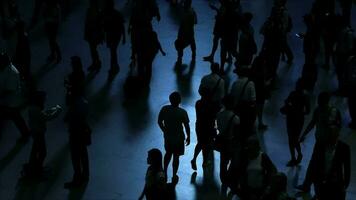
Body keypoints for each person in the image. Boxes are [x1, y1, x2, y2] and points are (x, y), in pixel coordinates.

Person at [296, 92, 341, 192]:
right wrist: (304, 134)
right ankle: (307, 185)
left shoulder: (332, 112)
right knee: (314, 164)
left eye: (320, 100)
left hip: (327, 144)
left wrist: (332, 143)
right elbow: (313, 122)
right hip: (320, 143)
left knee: (320, 167)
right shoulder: (319, 110)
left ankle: (314, 188)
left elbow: (336, 129)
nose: (318, 102)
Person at [23, 91, 62, 177]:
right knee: (42, 152)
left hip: (35, 131)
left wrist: (53, 109)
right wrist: (58, 111)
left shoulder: (33, 108)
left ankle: (32, 167)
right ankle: (37, 169)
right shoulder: (36, 110)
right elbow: (47, 117)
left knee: (35, 150)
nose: (45, 100)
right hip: (38, 132)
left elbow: (43, 113)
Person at [309, 125, 350, 200]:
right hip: (320, 182)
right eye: (330, 135)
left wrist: (345, 184)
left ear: (337, 135)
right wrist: (313, 180)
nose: (332, 137)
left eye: (334, 135)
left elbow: (347, 168)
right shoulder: (319, 145)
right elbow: (313, 163)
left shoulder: (344, 148)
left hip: (335, 184)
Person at [158, 92, 190, 184]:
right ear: (179, 101)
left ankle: (165, 170)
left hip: (168, 137)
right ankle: (174, 174)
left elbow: (159, 121)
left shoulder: (165, 109)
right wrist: (188, 136)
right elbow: (187, 126)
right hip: (179, 137)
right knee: (176, 157)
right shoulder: (183, 112)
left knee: (168, 153)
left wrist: (164, 130)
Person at [0, 52, 29, 142]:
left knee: (16, 117)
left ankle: (25, 134)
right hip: (7, 101)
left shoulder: (12, 73)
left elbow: (9, 90)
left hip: (11, 101)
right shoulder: (5, 69)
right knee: (14, 117)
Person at [64, 92, 91, 189]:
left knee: (75, 158)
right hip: (82, 132)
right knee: (83, 154)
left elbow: (68, 119)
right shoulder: (83, 102)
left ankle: (77, 179)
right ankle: (85, 175)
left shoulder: (73, 108)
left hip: (75, 134)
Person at [281, 79, 310, 166]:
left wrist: (289, 107)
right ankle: (298, 155)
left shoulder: (293, 93)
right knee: (294, 138)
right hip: (299, 119)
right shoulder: (305, 96)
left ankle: (294, 157)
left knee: (291, 138)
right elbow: (308, 111)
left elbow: (286, 101)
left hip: (290, 117)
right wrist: (300, 112)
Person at [216, 95, 240, 195]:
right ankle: (230, 179)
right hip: (231, 142)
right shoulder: (235, 118)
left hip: (222, 141)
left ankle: (224, 180)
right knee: (234, 161)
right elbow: (237, 132)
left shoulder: (219, 114)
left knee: (223, 162)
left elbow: (218, 127)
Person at [230, 65, 256, 140]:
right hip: (246, 109)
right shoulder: (250, 84)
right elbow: (253, 99)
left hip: (237, 107)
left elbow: (232, 94)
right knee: (246, 126)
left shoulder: (236, 83)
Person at [191, 97, 217, 171]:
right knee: (208, 144)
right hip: (209, 126)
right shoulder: (210, 105)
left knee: (200, 143)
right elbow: (213, 116)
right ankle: (205, 161)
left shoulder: (198, 103)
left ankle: (194, 158)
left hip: (199, 125)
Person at [103, 0, 126, 76]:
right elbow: (122, 26)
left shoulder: (107, 14)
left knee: (113, 51)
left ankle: (114, 66)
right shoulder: (117, 14)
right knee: (113, 51)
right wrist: (124, 37)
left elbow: (104, 26)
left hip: (112, 35)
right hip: (115, 35)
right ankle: (114, 66)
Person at [333, 16, 354, 95]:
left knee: (343, 73)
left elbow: (349, 47)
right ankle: (342, 88)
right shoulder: (342, 31)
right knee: (341, 73)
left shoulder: (347, 32)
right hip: (341, 55)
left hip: (344, 56)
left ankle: (343, 89)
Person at [174, 0, 197, 65]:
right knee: (191, 42)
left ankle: (180, 58)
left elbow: (195, 21)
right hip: (188, 31)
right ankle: (193, 55)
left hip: (184, 31)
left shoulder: (184, 11)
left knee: (180, 44)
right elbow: (195, 21)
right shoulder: (192, 11)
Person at [85, 0, 104, 72]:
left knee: (93, 49)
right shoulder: (93, 11)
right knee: (92, 49)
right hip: (92, 33)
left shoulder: (95, 12)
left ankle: (96, 63)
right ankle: (96, 62)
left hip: (94, 33)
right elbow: (87, 23)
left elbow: (99, 25)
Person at [345, 50, 356, 130]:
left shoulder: (351, 60)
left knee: (352, 104)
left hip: (352, 86)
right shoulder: (350, 60)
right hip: (351, 86)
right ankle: (353, 120)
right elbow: (347, 73)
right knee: (351, 104)